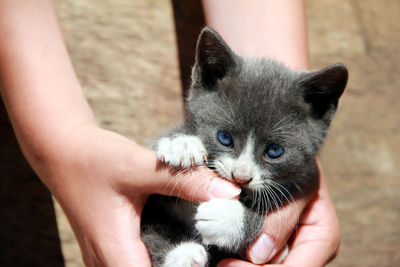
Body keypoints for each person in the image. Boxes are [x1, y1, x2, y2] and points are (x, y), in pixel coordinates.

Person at [0, 0, 339, 266]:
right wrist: (65, 147)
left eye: (274, 152)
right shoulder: (198, 127)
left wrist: (247, 223)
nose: (242, 172)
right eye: (226, 140)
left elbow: (259, 218)